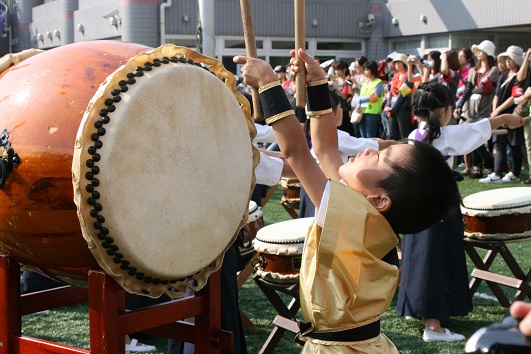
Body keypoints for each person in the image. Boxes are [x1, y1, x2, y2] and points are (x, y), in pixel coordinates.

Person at [234, 49, 460, 353]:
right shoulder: (364, 216)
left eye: (380, 157)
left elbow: (299, 153)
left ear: (380, 200)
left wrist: (268, 85)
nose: (368, 151)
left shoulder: (355, 222)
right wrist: (317, 85)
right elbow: (326, 149)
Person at [396, 82, 524, 342]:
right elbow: (476, 130)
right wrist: (506, 118)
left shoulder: (415, 133)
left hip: (416, 206)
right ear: (443, 110)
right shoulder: (445, 134)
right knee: (437, 260)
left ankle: (415, 309)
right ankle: (433, 326)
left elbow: (472, 130)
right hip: (438, 206)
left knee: (417, 257)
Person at [480, 45, 526, 183]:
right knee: (499, 144)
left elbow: (514, 96)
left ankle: (515, 173)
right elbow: (497, 94)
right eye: (506, 59)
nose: (507, 62)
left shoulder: (521, 77)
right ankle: (497, 173)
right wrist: (495, 110)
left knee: (514, 144)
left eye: (510, 59)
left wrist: (498, 110)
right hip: (499, 113)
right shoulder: (503, 75)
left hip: (512, 113)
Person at [455, 40, 499, 179]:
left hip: (483, 108)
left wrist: (473, 89)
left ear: (488, 53)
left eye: (481, 50)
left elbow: (485, 89)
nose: (478, 53)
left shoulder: (494, 70)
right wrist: (460, 105)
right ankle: (477, 168)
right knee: (471, 138)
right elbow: (468, 90)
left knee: (479, 138)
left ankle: (488, 165)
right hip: (470, 109)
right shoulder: (474, 70)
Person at [384, 53, 414, 140]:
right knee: (392, 133)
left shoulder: (408, 76)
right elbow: (390, 92)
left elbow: (403, 94)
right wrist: (388, 105)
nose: (397, 65)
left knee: (403, 133)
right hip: (392, 108)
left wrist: (394, 107)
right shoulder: (395, 76)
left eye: (399, 63)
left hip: (403, 108)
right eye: (395, 63)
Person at [353, 60, 384, 138]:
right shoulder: (365, 83)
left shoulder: (378, 82)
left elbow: (374, 96)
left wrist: (360, 100)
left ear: (373, 70)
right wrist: (358, 105)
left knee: (370, 136)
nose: (365, 72)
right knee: (362, 136)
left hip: (372, 113)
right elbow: (361, 95)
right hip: (362, 111)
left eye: (367, 69)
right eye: (364, 69)